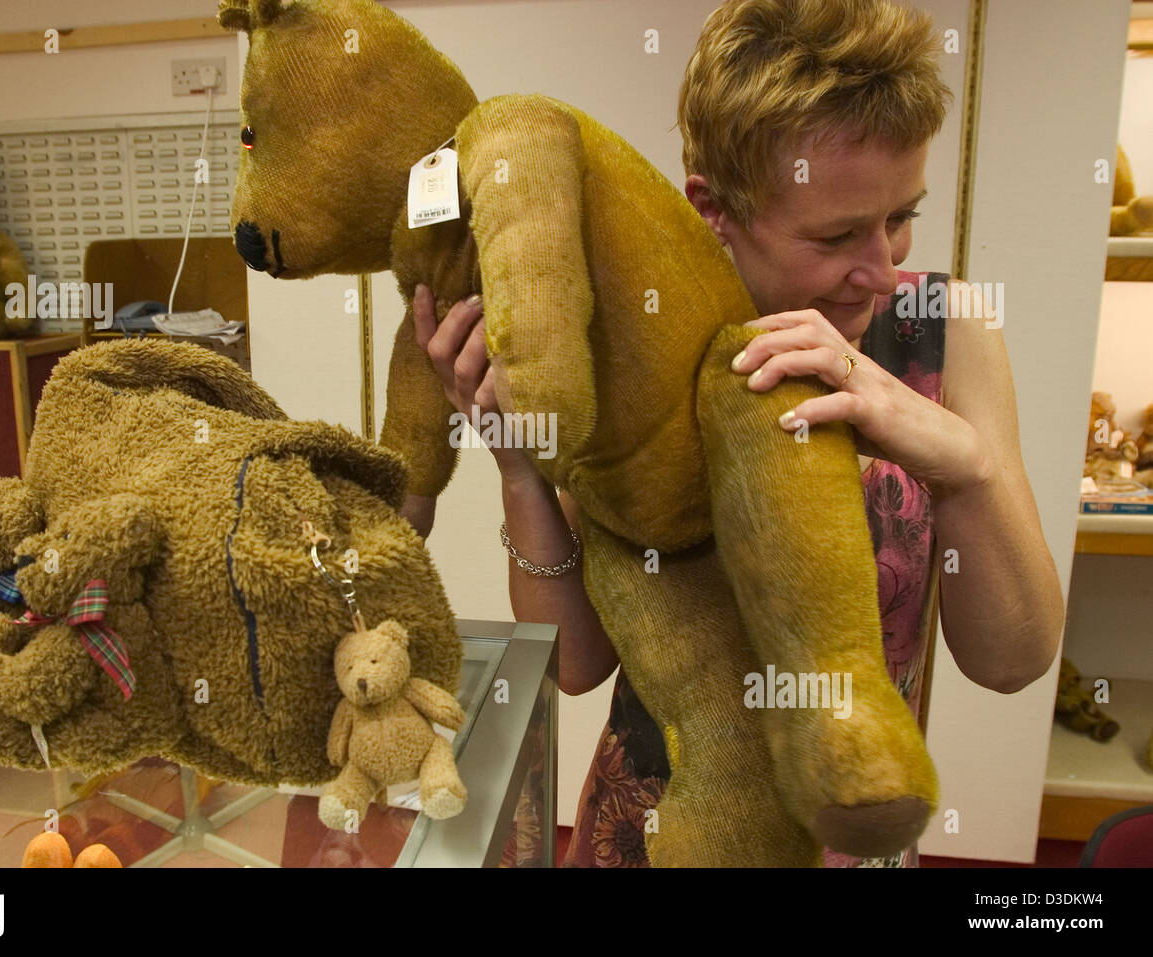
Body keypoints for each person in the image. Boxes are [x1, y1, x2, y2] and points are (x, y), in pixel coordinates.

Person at [404, 0, 1065, 867]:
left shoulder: (947, 328)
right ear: (712, 208)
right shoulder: (639, 345)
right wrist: (520, 465)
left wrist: (960, 461)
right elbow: (576, 665)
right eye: (836, 235)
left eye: (902, 215)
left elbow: (1011, 662)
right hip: (651, 830)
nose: (884, 269)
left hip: (847, 834)